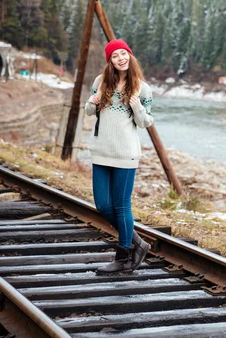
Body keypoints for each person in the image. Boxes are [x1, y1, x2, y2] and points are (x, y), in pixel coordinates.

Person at [85, 39, 154, 274]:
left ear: (130, 56)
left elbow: (146, 122)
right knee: (103, 205)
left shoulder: (142, 88)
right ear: (110, 61)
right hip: (101, 152)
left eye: (123, 54)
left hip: (125, 154)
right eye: (115, 56)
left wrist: (137, 107)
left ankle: (122, 256)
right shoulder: (100, 82)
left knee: (121, 205)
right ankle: (139, 243)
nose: (120, 58)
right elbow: (89, 111)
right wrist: (92, 102)